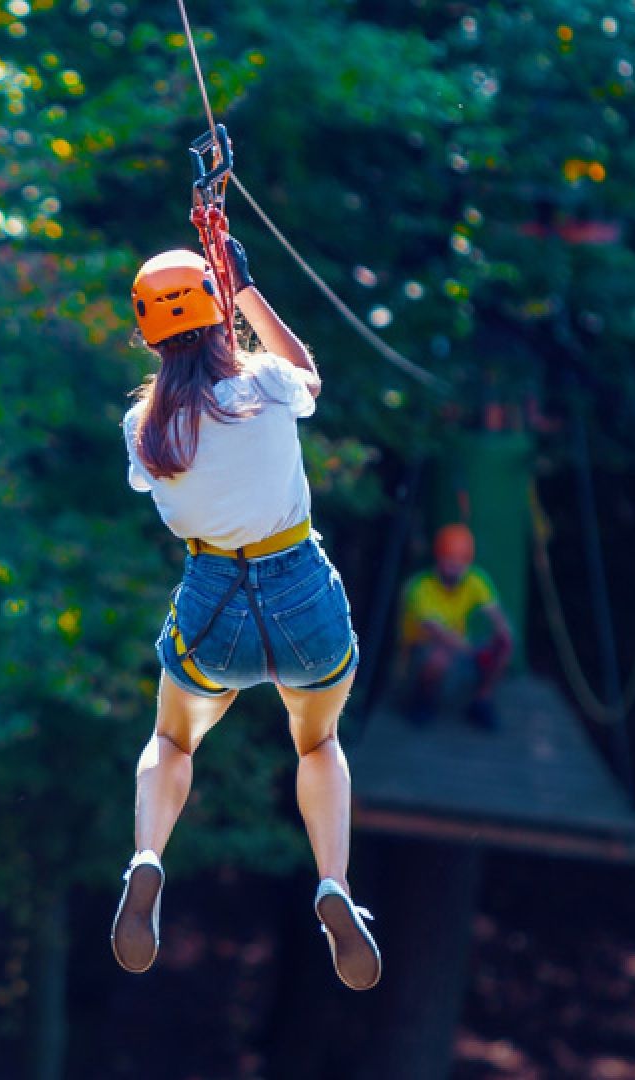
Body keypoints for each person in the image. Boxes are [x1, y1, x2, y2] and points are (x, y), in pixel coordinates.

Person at [109, 239, 381, 991]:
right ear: (217, 308)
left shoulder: (144, 428)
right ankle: (333, 884)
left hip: (212, 605)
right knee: (318, 741)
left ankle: (148, 858)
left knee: (172, 736)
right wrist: (247, 290)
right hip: (302, 595)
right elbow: (309, 376)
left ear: (147, 332)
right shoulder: (263, 382)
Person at [398, 523, 515, 729]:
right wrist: (474, 651)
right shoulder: (420, 587)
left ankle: (481, 702)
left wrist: (502, 634)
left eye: (460, 562)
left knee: (505, 645)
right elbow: (437, 632)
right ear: (438, 558)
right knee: (439, 656)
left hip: (460, 650)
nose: (454, 567)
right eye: (449, 560)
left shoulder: (475, 580)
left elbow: (496, 615)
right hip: (421, 656)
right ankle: (422, 702)